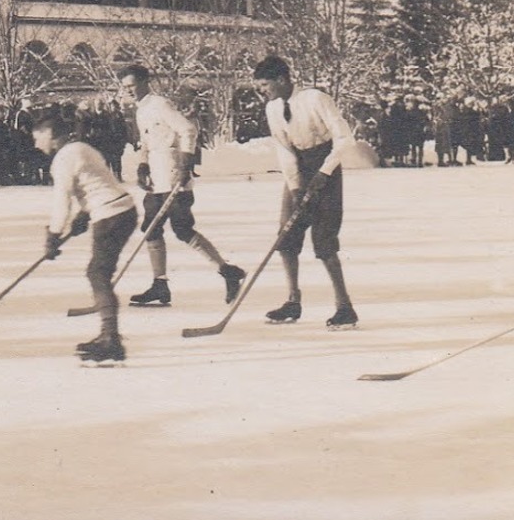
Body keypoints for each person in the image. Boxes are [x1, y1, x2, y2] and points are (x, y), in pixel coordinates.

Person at [120, 64, 244, 308]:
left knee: (182, 229)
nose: (129, 91)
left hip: (174, 175)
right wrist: (143, 166)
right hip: (157, 178)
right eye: (125, 87)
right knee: (151, 228)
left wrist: (186, 164)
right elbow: (146, 141)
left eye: (132, 85)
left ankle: (227, 271)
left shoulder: (159, 104)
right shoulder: (141, 109)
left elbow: (188, 129)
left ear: (145, 82)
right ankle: (160, 284)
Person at [253, 55, 359, 330]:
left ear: (282, 79)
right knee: (286, 236)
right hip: (299, 168)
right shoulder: (273, 109)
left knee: (324, 239)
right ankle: (292, 301)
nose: (262, 91)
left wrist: (325, 172)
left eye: (265, 84)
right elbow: (284, 149)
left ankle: (344, 307)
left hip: (326, 165)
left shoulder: (315, 98)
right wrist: (296, 186)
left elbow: (345, 138)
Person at [35, 111, 139, 363]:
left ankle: (110, 339)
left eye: (37, 137)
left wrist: (53, 235)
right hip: (123, 209)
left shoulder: (62, 160)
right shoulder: (82, 148)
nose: (35, 144)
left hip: (110, 215)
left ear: (50, 135)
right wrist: (85, 213)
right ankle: (109, 336)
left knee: (97, 273)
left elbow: (62, 200)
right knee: (99, 272)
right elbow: (98, 180)